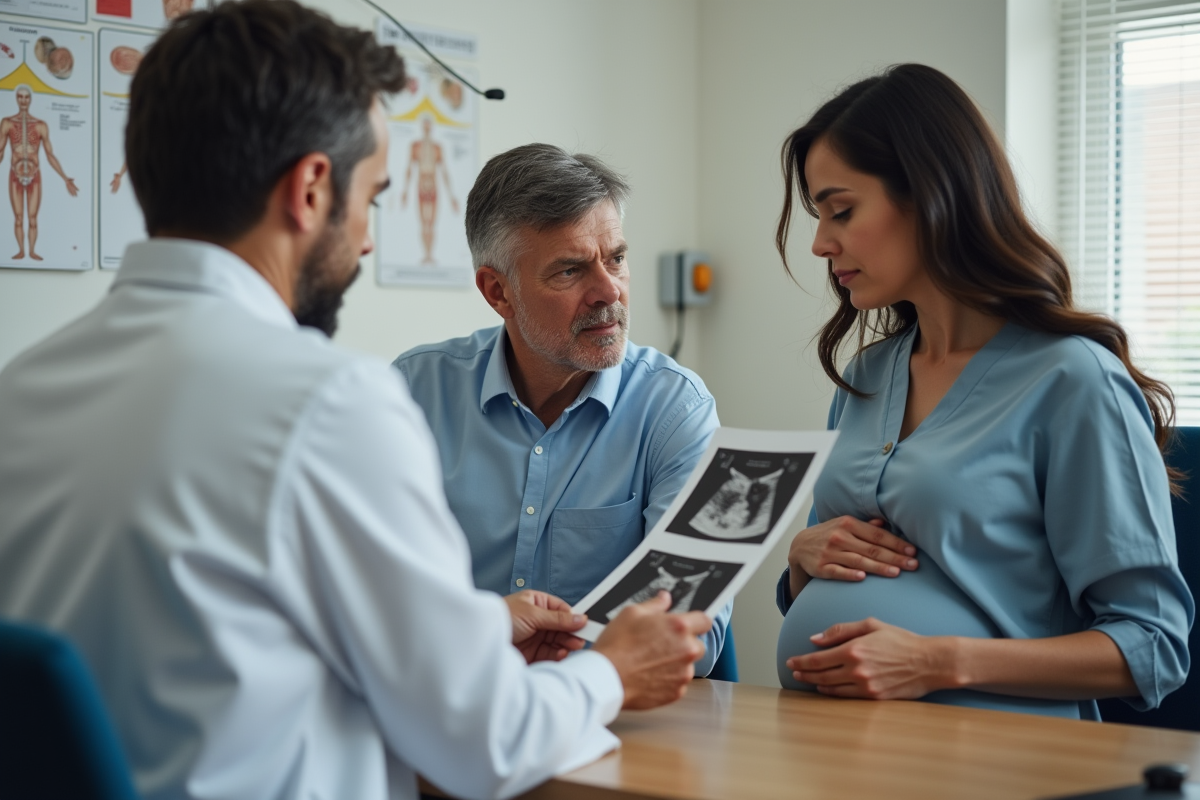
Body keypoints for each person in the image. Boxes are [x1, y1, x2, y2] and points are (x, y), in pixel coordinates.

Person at [0, 3, 711, 799]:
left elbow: (220, 628)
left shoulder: (22, 391)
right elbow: (482, 745)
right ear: (311, 190)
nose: (369, 242)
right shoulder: (327, 404)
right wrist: (609, 675)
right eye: (371, 198)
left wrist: (476, 624)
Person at [772, 64, 1193, 720]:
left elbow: (1152, 647)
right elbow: (824, 590)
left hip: (996, 760)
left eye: (842, 211)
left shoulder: (1073, 381)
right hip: (830, 751)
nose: (822, 243)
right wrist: (801, 562)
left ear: (932, 194)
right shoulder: (868, 375)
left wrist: (936, 661)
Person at [393, 144, 730, 675]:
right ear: (497, 292)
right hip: (445, 716)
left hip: (619, 728)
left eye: (616, 258)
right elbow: (363, 599)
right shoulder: (410, 394)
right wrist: (486, 632)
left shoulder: (677, 409)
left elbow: (691, 637)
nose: (608, 291)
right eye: (571, 271)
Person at [0, 84, 79, 260]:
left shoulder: (41, 125)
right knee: (19, 218)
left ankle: (32, 251)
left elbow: (50, 155)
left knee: (33, 218)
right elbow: (1, 150)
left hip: (35, 175)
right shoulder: (7, 123)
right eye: (20, 97)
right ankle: (21, 250)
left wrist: (65, 178)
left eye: (26, 97)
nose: (23, 100)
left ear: (30, 100)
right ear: (16, 99)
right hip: (15, 175)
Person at [399, 115, 458, 265]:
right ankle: (426, 254)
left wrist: (452, 197)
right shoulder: (416, 146)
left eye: (428, 126)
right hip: (421, 185)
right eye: (424, 125)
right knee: (423, 222)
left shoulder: (437, 148)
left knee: (431, 222)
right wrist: (404, 191)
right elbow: (409, 169)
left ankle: (430, 254)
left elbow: (444, 171)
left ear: (430, 127)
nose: (426, 128)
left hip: (433, 185)